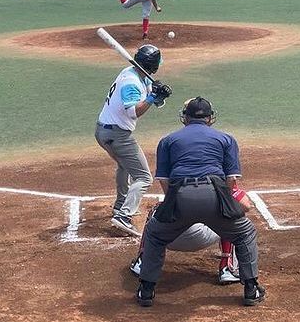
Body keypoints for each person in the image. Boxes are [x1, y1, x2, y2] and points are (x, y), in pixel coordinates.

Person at [135, 97, 265, 307]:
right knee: (244, 232)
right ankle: (250, 287)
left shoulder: (168, 140)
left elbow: (165, 181)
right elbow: (231, 180)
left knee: (155, 234)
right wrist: (228, 205)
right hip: (214, 195)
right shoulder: (226, 139)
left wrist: (173, 205)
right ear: (210, 118)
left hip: (180, 195)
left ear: (185, 118)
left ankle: (146, 291)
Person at [95, 45, 172, 237]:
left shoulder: (134, 72)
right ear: (153, 66)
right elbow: (134, 112)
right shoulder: (131, 82)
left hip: (104, 132)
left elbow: (148, 95)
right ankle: (124, 216)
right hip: (118, 135)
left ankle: (120, 206)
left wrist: (158, 96)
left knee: (124, 166)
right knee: (144, 177)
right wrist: (153, 97)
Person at [129, 186, 253, 284]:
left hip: (167, 236)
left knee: (158, 210)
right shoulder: (218, 173)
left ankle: (143, 262)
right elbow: (246, 205)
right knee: (231, 211)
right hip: (201, 237)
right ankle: (227, 268)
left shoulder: (179, 168)